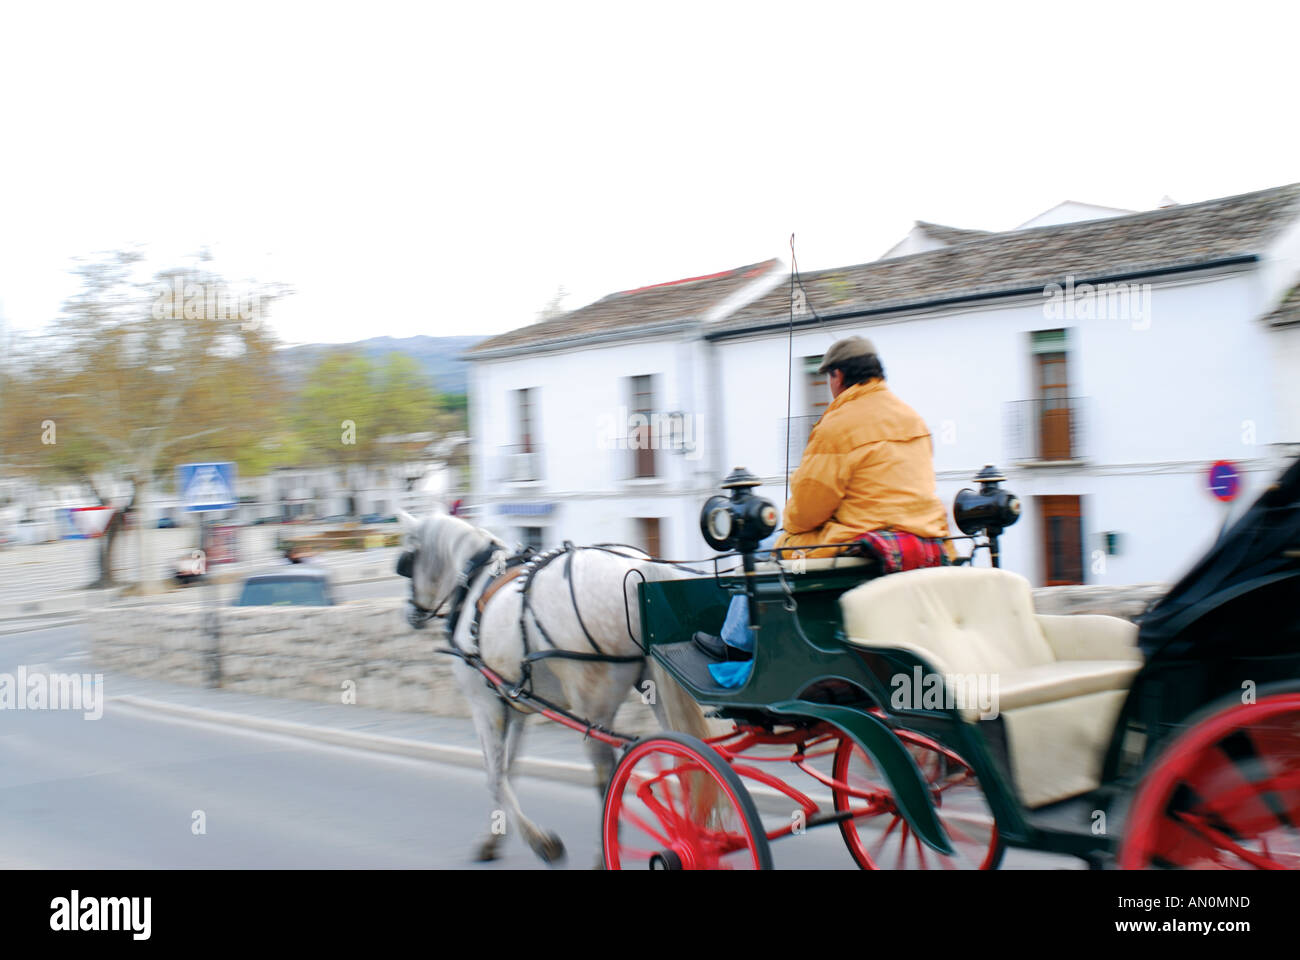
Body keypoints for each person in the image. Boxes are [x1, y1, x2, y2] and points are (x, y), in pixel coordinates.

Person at [695, 335, 952, 677]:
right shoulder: (912, 419)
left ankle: (736, 644)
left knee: (768, 549)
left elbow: (805, 512)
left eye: (828, 378)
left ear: (838, 377)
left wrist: (794, 526)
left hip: (860, 542)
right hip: (925, 538)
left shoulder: (838, 424)